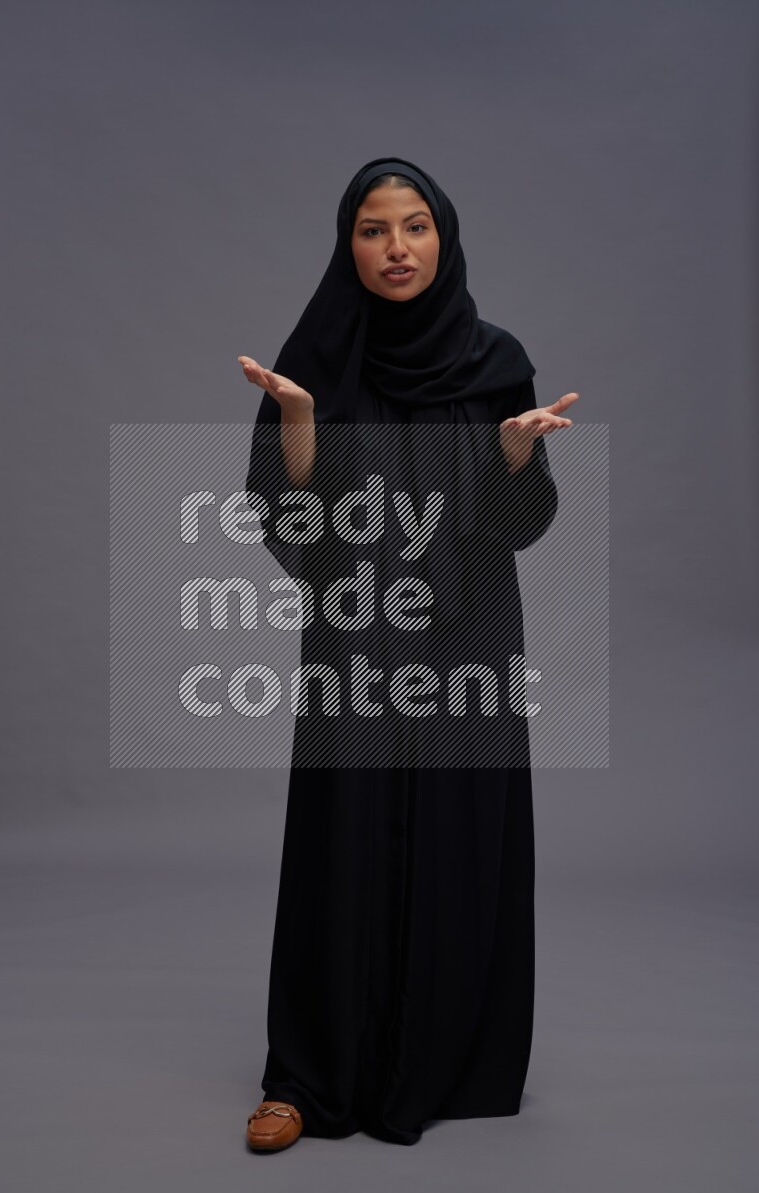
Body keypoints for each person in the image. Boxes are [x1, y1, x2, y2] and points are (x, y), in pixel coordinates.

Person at [239, 156, 578, 1151]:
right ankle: (304, 1073)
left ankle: (438, 1061)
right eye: (374, 229)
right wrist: (300, 424)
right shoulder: (318, 356)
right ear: (346, 244)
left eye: (415, 226)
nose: (396, 248)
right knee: (341, 841)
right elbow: (295, 520)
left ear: (443, 236)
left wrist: (515, 458)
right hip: (354, 633)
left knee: (455, 836)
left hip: (465, 637)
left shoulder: (493, 359)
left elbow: (518, 524)